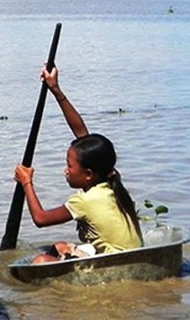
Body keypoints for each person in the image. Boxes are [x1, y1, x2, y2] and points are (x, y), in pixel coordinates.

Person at [14, 65, 143, 264]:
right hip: (127, 256)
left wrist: (27, 182)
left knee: (40, 260)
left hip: (115, 264)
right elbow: (82, 134)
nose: (65, 171)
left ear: (89, 174)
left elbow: (40, 219)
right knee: (59, 246)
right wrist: (56, 90)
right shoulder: (109, 181)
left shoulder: (84, 200)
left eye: (70, 166)